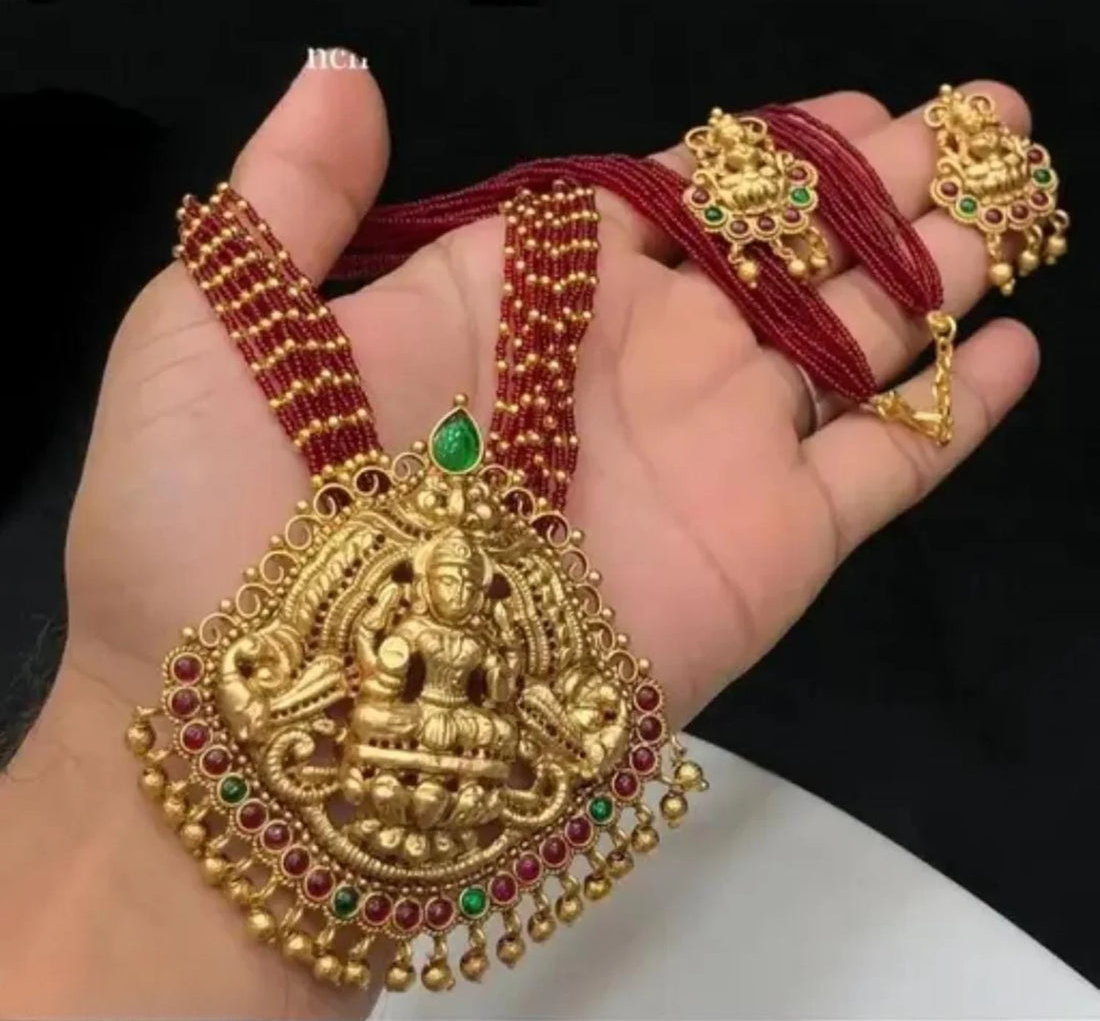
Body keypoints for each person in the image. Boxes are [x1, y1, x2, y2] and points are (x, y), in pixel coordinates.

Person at [0, 63, 1039, 1018]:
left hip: (447, 754)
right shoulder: (400, 616)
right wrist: (163, 706)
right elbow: (360, 683)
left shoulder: (492, 617)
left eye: (465, 577)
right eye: (445, 574)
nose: (455, 588)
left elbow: (512, 693)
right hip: (382, 752)